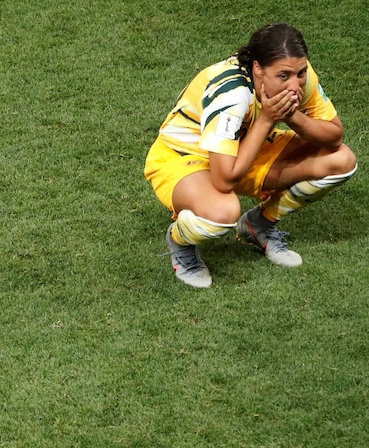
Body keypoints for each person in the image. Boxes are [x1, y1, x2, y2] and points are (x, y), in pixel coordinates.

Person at [144, 23, 357, 288]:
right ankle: (180, 242)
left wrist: (291, 115)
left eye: (300, 73)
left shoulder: (299, 75)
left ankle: (259, 225)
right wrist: (268, 119)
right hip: (185, 157)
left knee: (341, 161)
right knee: (222, 212)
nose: (295, 85)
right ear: (258, 68)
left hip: (246, 147)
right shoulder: (231, 93)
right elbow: (224, 180)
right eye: (284, 76)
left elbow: (334, 137)